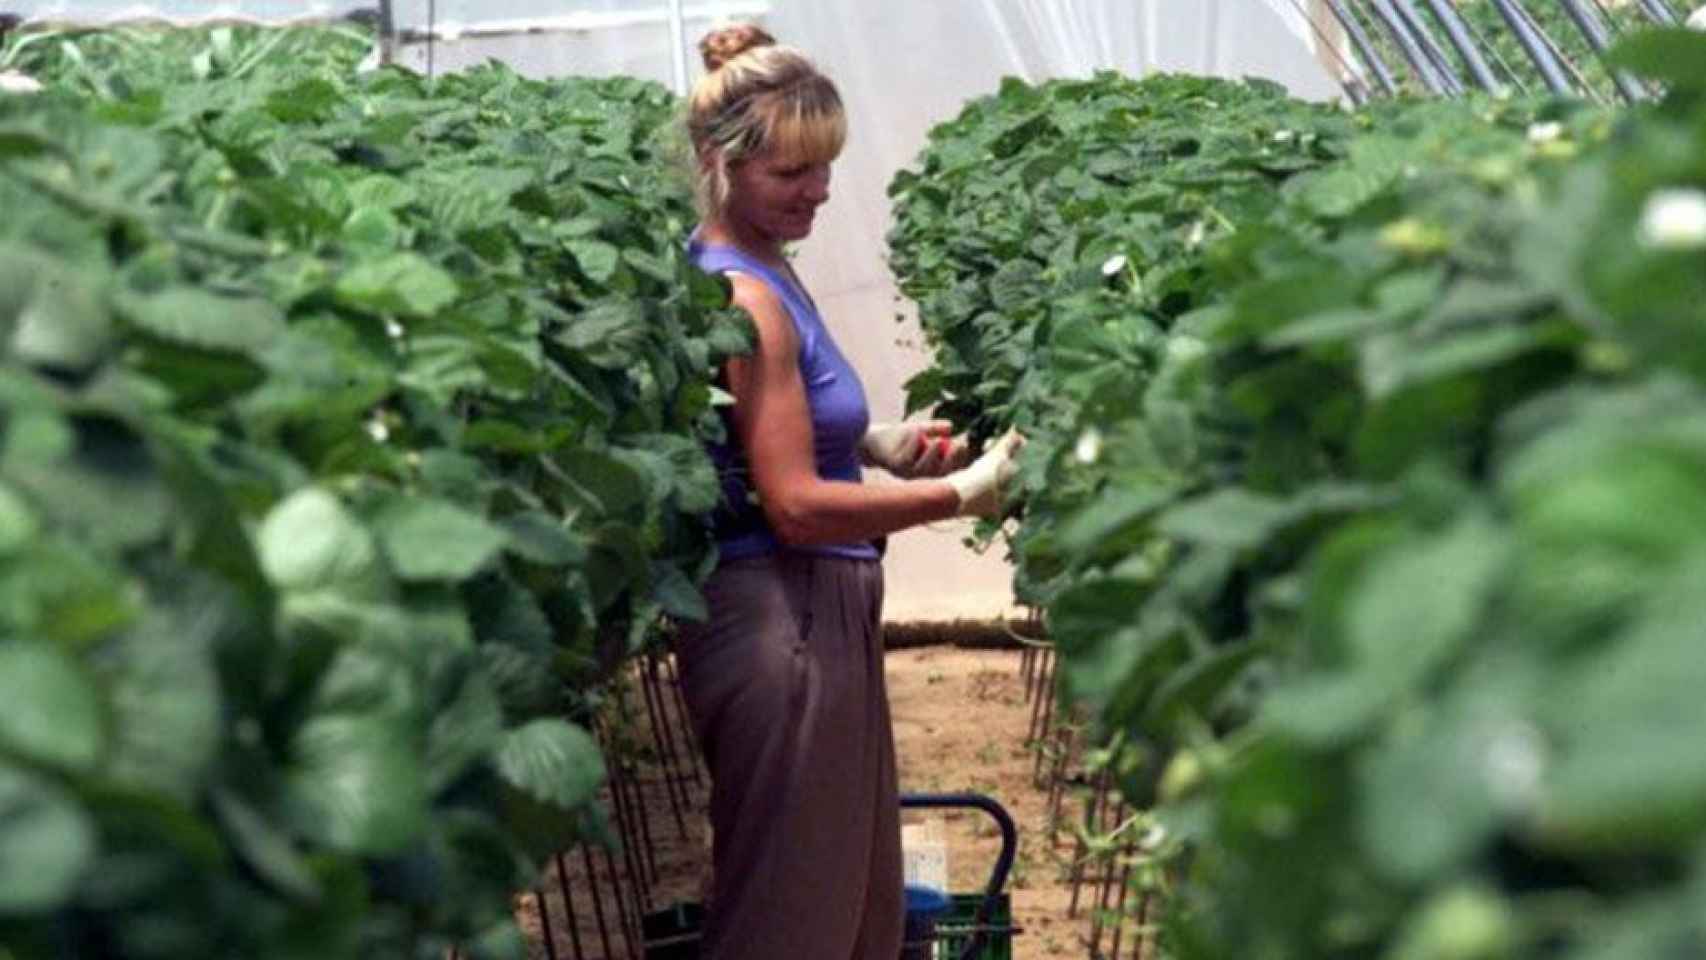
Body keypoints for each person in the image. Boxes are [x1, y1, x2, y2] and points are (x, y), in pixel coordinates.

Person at [671, 23, 1025, 960]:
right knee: (792, 924)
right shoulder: (742, 296)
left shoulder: (762, 270)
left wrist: (873, 445)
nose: (819, 191)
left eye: (825, 167)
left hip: (811, 614)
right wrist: (963, 496)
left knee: (851, 912)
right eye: (792, 173)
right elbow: (790, 506)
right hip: (776, 626)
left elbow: (756, 436)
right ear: (719, 161)